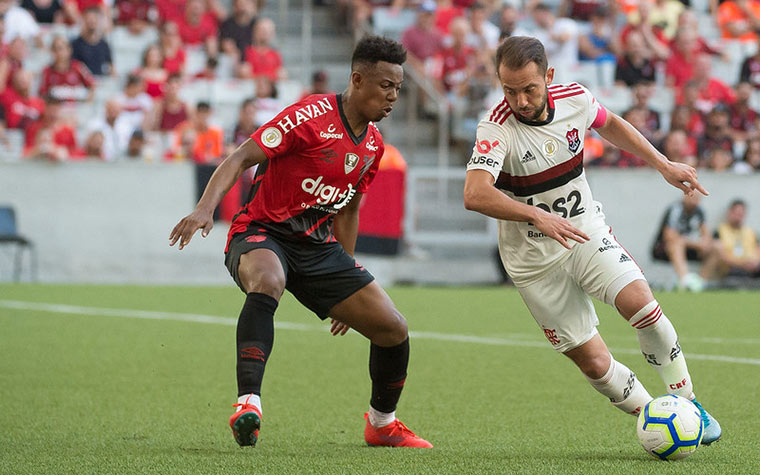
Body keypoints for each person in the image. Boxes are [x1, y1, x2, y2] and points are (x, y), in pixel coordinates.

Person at [169, 35, 432, 449]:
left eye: (398, 88)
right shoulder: (309, 115)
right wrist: (205, 209)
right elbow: (239, 157)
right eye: (386, 86)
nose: (393, 96)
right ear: (358, 79)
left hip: (317, 246)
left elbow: (348, 212)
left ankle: (382, 424)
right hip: (261, 230)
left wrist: (347, 282)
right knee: (268, 280)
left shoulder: (374, 145)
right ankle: (248, 404)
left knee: (393, 329)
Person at [463, 36, 721, 444]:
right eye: (510, 90)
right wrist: (536, 215)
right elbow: (474, 193)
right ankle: (653, 414)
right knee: (595, 362)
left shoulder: (575, 100)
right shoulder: (496, 129)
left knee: (642, 305)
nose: (521, 101)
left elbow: (611, 124)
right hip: (533, 261)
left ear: (548, 76)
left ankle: (688, 404)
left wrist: (662, 163)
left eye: (529, 89)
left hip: (585, 232)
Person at [651, 192, 720, 290]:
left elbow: (706, 234)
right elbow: (669, 236)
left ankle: (700, 283)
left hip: (690, 248)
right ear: (685, 196)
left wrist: (704, 243)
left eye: (697, 198)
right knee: (676, 243)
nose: (694, 201)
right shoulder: (675, 209)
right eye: (692, 197)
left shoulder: (699, 211)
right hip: (665, 249)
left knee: (717, 246)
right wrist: (695, 244)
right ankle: (685, 280)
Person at [715, 199, 760, 278]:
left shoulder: (751, 232)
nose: (739, 217)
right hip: (731, 268)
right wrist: (742, 264)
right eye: (737, 213)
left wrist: (755, 262)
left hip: (752, 267)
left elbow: (757, 249)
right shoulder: (719, 231)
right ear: (730, 213)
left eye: (742, 214)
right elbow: (720, 255)